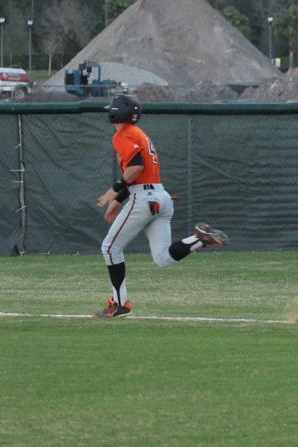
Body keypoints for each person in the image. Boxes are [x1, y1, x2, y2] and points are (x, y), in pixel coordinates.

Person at [93, 94, 228, 318]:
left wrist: (114, 190)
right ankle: (198, 239)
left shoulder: (123, 134)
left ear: (116, 112)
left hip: (144, 198)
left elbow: (136, 167)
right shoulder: (140, 135)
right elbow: (142, 174)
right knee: (163, 259)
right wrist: (118, 200)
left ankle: (120, 304)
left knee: (110, 248)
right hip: (160, 196)